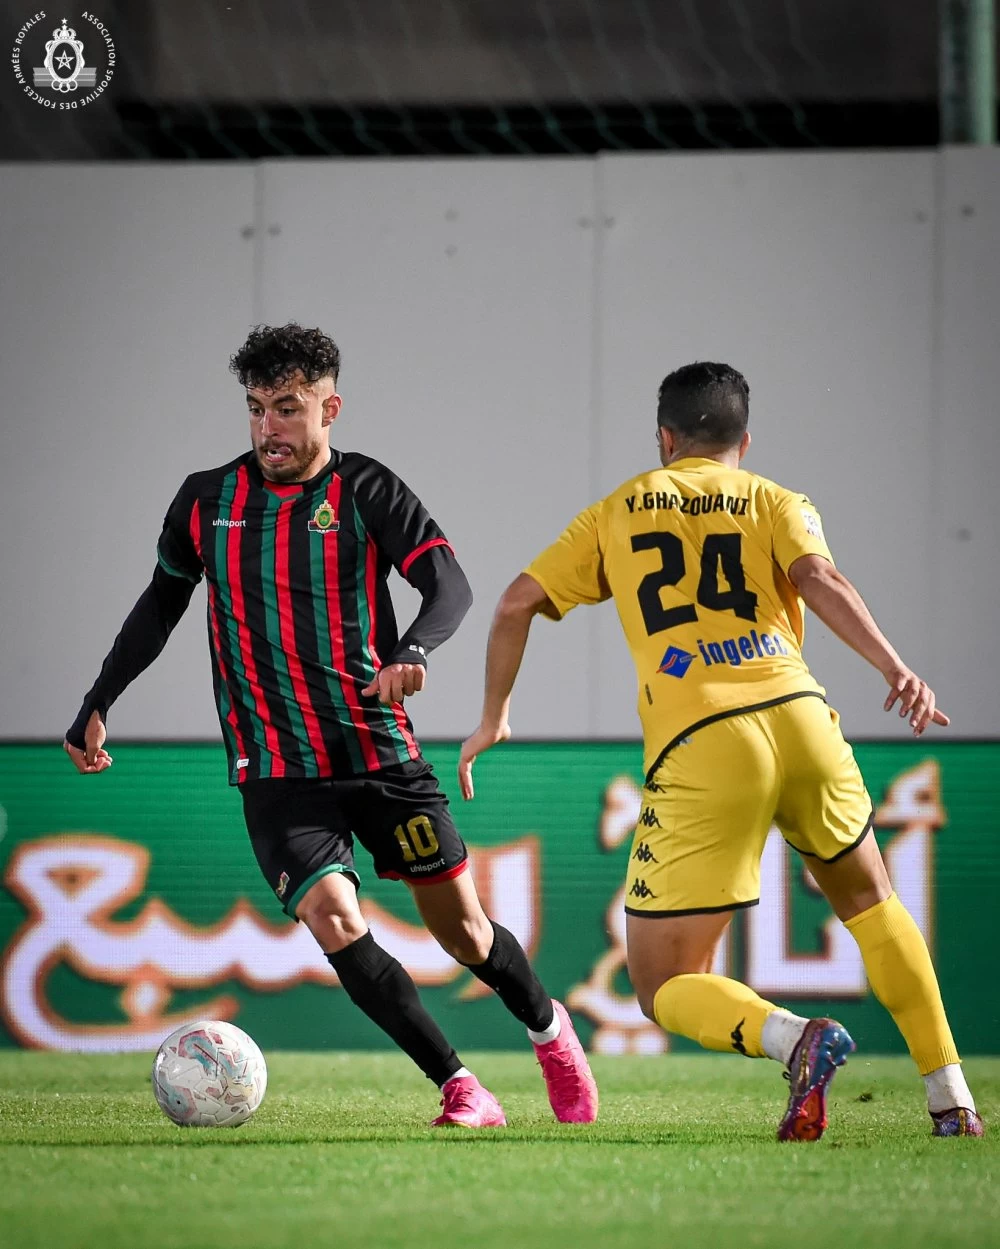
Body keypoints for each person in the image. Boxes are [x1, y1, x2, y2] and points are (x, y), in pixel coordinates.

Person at [64, 323, 598, 1129]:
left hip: (378, 752)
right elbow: (161, 602)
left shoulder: (366, 491)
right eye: (255, 410)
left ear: (329, 408)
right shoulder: (208, 501)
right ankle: (461, 1087)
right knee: (335, 920)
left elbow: (447, 584)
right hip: (276, 769)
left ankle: (550, 1032)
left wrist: (414, 648)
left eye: (286, 408)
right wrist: (99, 698)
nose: (268, 428)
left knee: (465, 934)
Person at [459, 361, 983, 1140]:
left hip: (704, 738)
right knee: (873, 903)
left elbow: (515, 602)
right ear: (744, 438)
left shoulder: (617, 510)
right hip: (803, 716)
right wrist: (893, 666)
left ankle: (794, 1038)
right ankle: (953, 1101)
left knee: (664, 980)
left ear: (665, 437)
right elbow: (817, 576)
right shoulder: (774, 497)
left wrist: (494, 715)